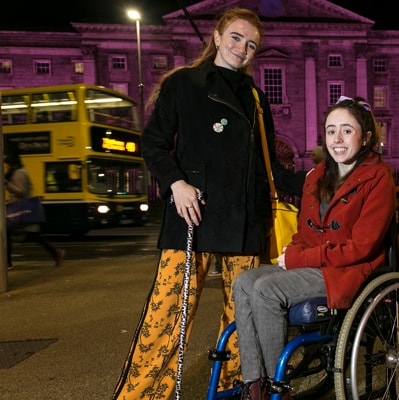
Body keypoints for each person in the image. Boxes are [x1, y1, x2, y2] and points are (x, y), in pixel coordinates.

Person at [111, 8, 304, 399]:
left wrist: (328, 179)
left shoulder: (255, 96)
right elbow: (153, 143)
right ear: (216, 37)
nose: (242, 48)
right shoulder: (184, 83)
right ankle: (142, 395)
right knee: (168, 316)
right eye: (236, 37)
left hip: (244, 220)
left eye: (251, 44)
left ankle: (235, 388)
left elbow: (274, 170)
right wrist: (175, 182)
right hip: (191, 215)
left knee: (242, 317)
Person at [232, 96, 397, 399]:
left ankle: (274, 389)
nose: (337, 138)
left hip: (348, 270)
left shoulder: (378, 178)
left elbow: (362, 247)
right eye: (331, 130)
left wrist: (298, 258)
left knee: (267, 290)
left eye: (347, 130)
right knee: (244, 282)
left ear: (366, 137)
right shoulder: (317, 175)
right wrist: (295, 253)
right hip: (315, 265)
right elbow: (304, 232)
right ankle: (253, 383)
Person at [4, 152, 65, 270]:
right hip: (20, 208)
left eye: (7, 164)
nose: (6, 166)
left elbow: (21, 192)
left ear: (11, 163)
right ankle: (56, 253)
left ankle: (8, 262)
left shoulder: (19, 173)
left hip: (20, 209)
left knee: (10, 234)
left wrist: (7, 184)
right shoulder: (19, 171)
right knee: (31, 236)